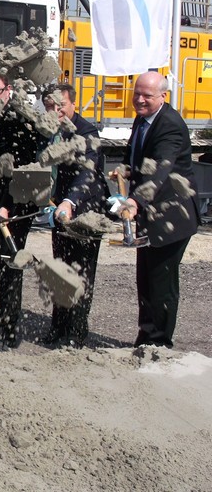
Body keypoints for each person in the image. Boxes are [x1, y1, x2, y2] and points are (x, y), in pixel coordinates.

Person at [113, 72, 200, 347]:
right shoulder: (143, 118)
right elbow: (136, 155)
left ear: (163, 96)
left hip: (172, 216)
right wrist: (125, 169)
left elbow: (160, 170)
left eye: (147, 96)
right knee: (146, 279)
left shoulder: (170, 125)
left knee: (161, 283)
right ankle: (145, 338)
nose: (139, 100)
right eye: (136, 93)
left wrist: (135, 201)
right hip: (150, 214)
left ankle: (160, 344)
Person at [0, 70, 45, 348]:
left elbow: (27, 171)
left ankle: (9, 327)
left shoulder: (20, 120)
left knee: (11, 262)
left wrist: (6, 206)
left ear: (9, 90)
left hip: (16, 206)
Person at [42, 83, 108, 347]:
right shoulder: (47, 130)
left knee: (80, 272)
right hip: (58, 211)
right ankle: (59, 327)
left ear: (72, 105)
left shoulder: (86, 131)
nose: (55, 111)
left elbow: (87, 173)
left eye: (61, 106)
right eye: (49, 106)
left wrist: (69, 201)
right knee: (60, 269)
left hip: (84, 212)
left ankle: (76, 332)